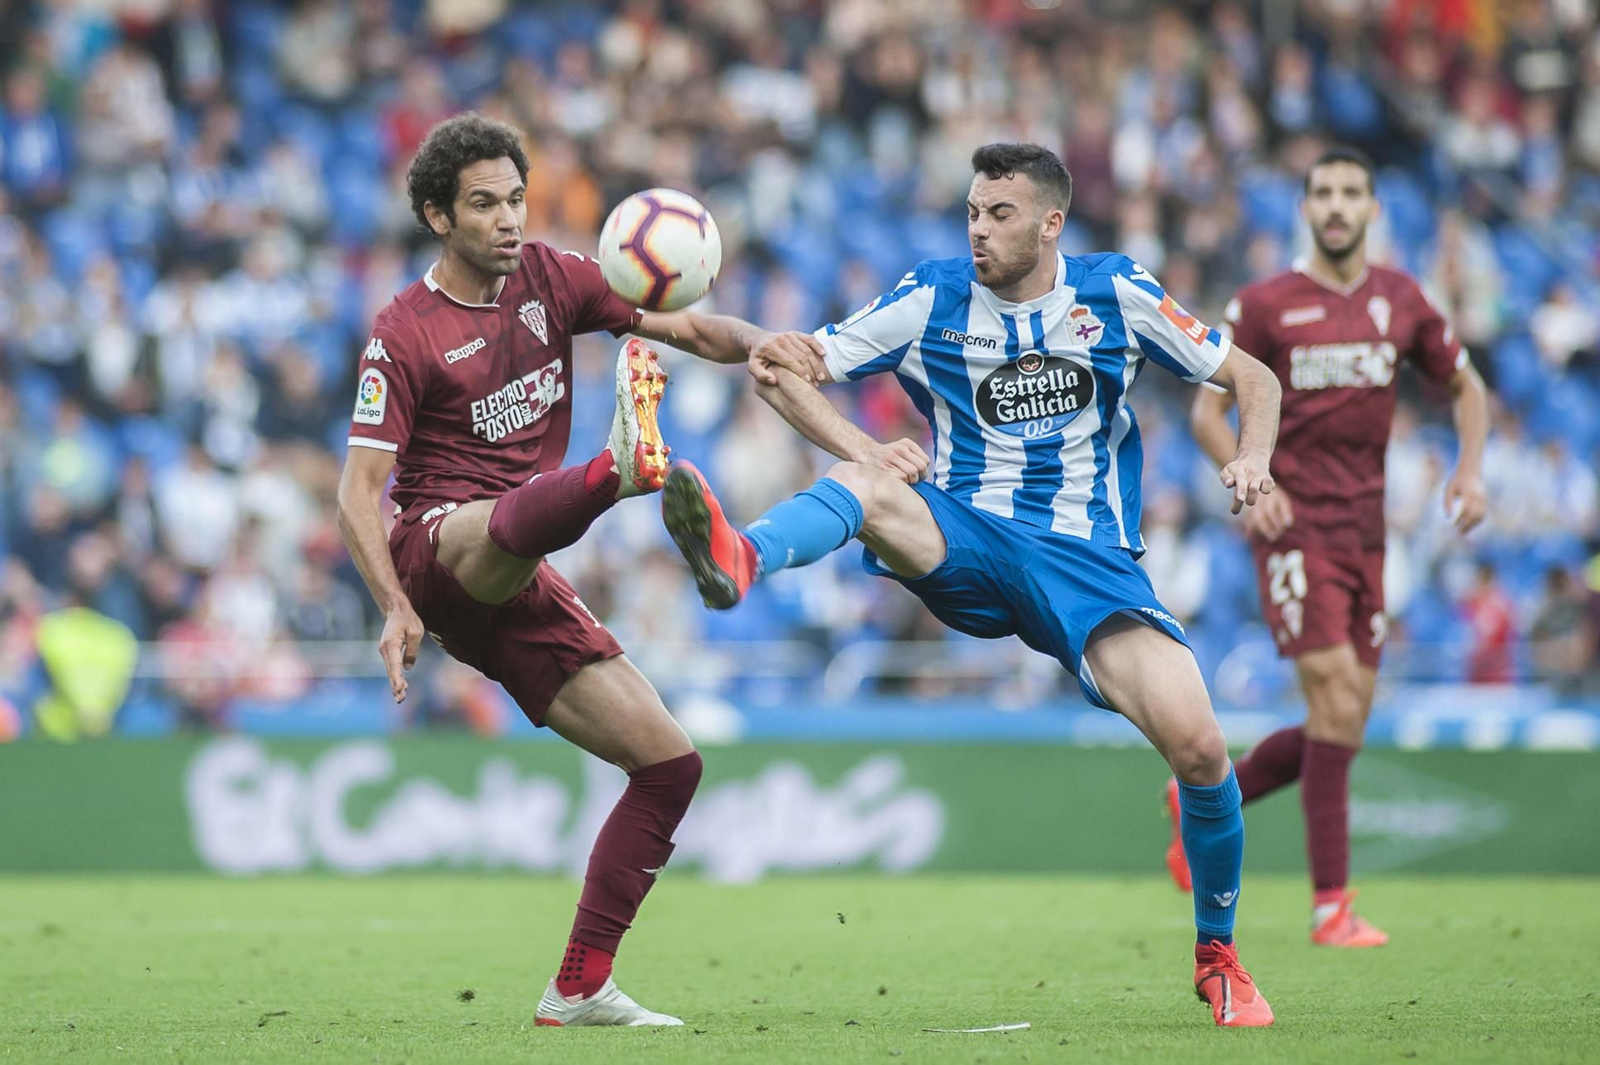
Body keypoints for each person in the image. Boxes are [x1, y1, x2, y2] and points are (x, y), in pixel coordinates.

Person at [660, 143, 1283, 1028]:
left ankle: (1218, 957)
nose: (980, 229)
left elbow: (1249, 374)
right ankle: (742, 556)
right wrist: (862, 447)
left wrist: (1253, 454)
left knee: (1203, 751)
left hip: (1089, 568)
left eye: (1000, 214)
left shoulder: (1118, 293)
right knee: (875, 487)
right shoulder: (932, 296)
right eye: (973, 212)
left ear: (1050, 223)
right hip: (968, 536)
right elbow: (779, 365)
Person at [336, 113, 821, 1027]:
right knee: (494, 526)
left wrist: (771, 341)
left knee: (669, 764)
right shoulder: (401, 333)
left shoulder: (552, 278)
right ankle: (616, 468)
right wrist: (395, 608)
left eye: (516, 198)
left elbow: (688, 326)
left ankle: (581, 983)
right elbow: (356, 493)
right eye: (484, 204)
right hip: (441, 547)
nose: (509, 219)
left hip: (521, 571)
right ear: (439, 216)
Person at [1183, 145, 1489, 947]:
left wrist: (1471, 471)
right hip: (1293, 525)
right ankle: (1331, 907)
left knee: (1345, 717)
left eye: (1353, 191)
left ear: (1374, 207)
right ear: (1307, 206)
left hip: (1367, 532)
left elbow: (1467, 385)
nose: (1338, 205)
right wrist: (1256, 478)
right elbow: (1207, 412)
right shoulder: (1265, 303)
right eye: (1324, 192)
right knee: (1331, 693)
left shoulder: (1402, 299)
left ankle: (1207, 801)